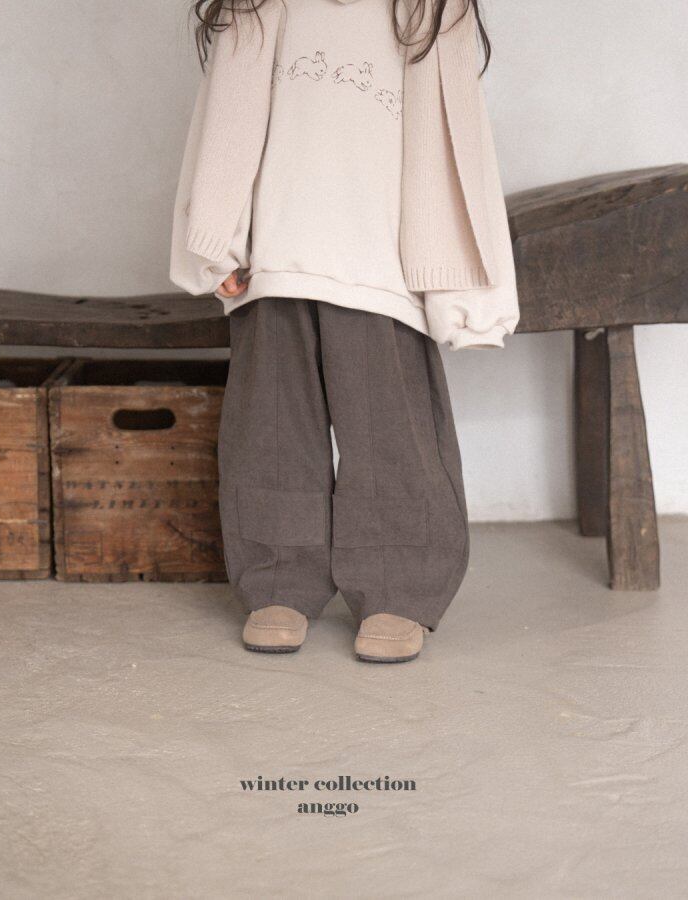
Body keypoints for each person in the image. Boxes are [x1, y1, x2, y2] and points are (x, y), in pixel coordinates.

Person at [171, 0, 519, 662]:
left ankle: (398, 586)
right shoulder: (259, 4)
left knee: (393, 433)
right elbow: (225, 117)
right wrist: (220, 239)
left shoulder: (426, 11)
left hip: (380, 260)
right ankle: (278, 579)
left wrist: (450, 284)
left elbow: (457, 141)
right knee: (271, 428)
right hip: (275, 253)